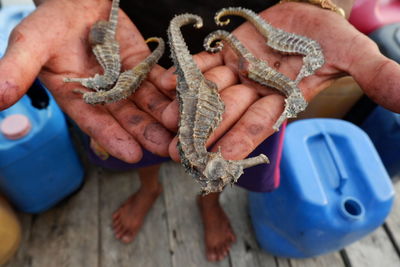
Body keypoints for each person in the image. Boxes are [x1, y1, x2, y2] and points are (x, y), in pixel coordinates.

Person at [0, 0, 399, 262]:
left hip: (261, 51)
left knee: (240, 139)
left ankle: (210, 201)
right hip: (136, 34)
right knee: (142, 131)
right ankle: (150, 187)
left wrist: (322, 4)